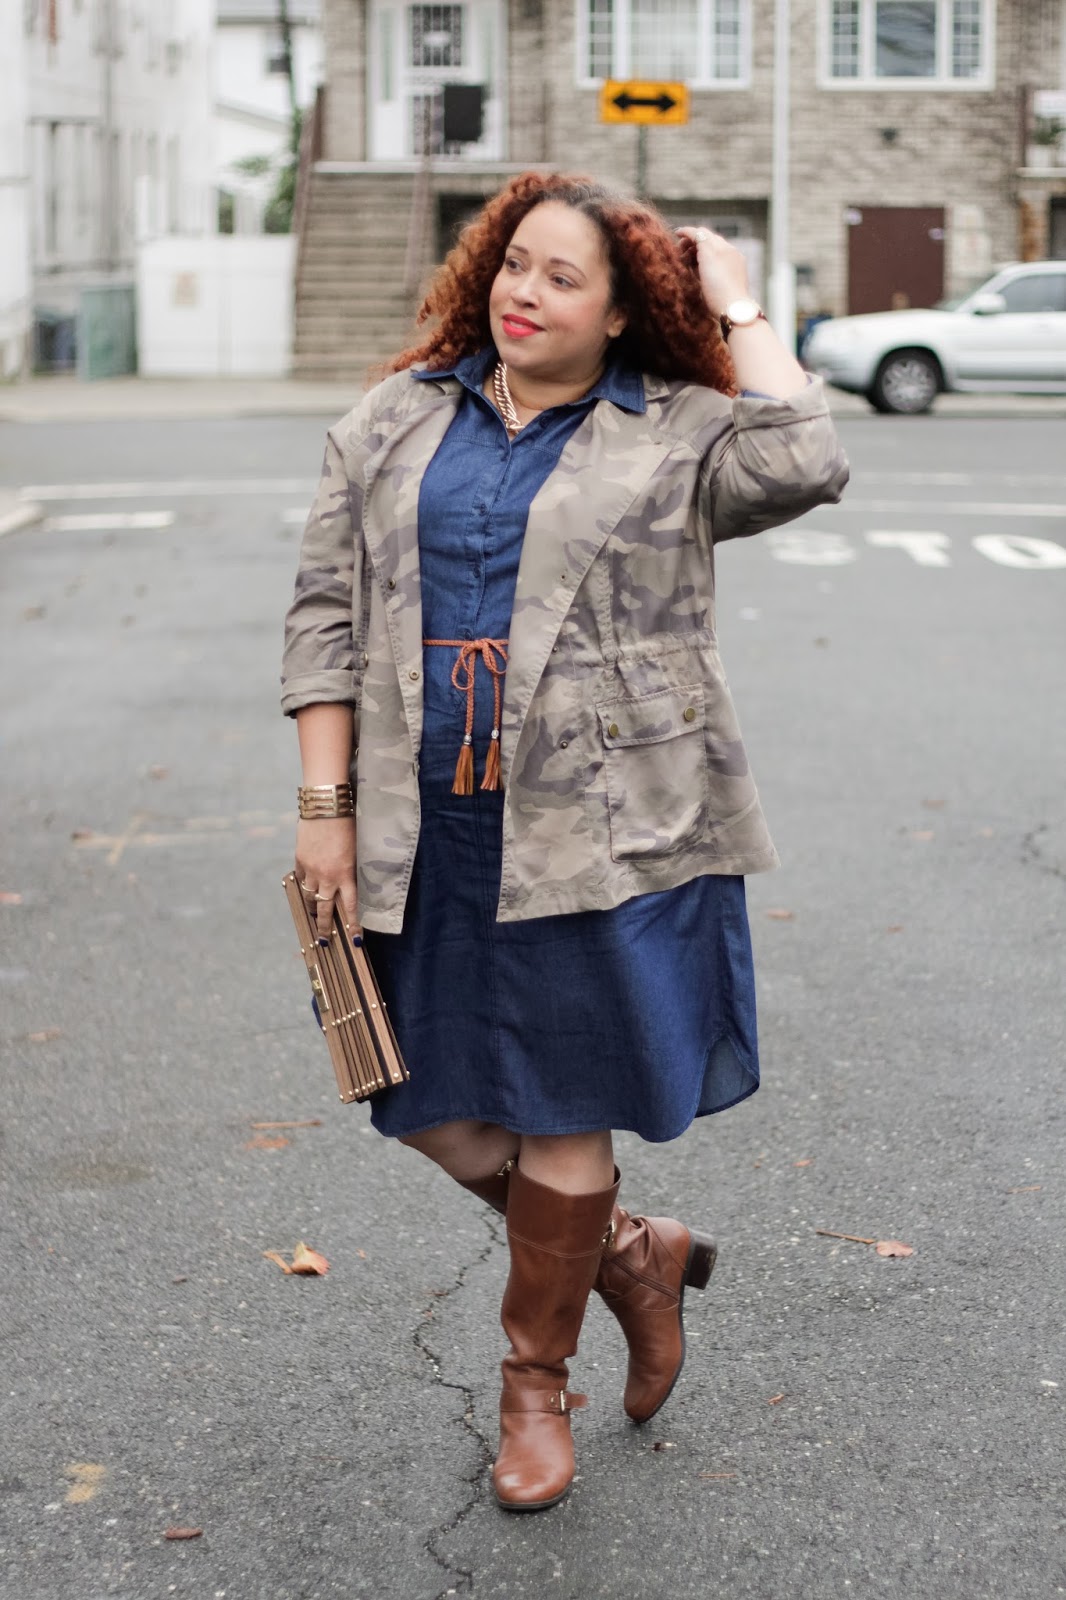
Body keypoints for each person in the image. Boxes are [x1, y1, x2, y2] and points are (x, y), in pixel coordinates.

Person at [281, 172, 848, 1514]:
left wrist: (737, 302)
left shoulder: (676, 429)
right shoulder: (394, 416)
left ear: (623, 310)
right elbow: (322, 616)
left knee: (561, 1105)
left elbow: (804, 459)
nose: (523, 294)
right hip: (422, 814)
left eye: (562, 277)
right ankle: (632, 1254)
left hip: (602, 822)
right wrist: (324, 811)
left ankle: (533, 1391)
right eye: (512, 264)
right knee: (419, 1098)